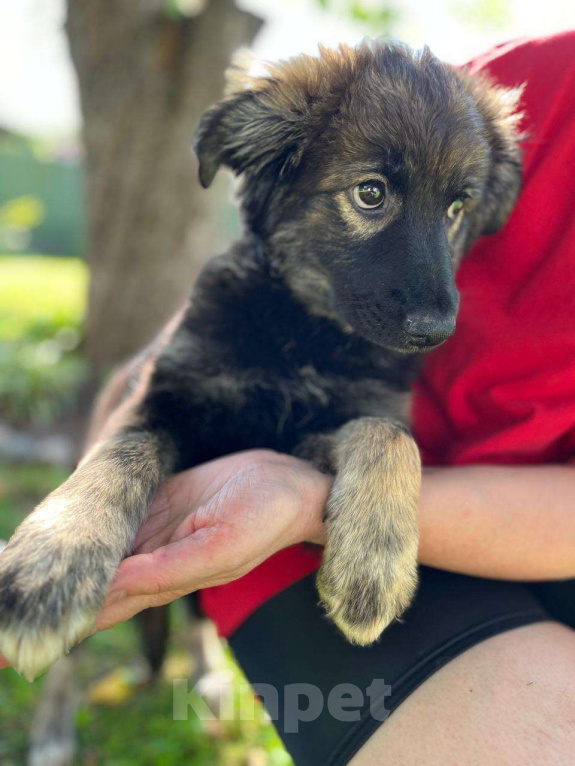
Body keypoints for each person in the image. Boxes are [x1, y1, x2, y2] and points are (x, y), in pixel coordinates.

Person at [3, 31, 575, 765]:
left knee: (376, 434)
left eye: (453, 210)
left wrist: (369, 465)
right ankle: (89, 681)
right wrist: (90, 497)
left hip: (506, 536)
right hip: (256, 511)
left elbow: (363, 423)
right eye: (371, 194)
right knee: (124, 556)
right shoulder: (464, 88)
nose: (435, 305)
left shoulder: (461, 155)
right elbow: (159, 406)